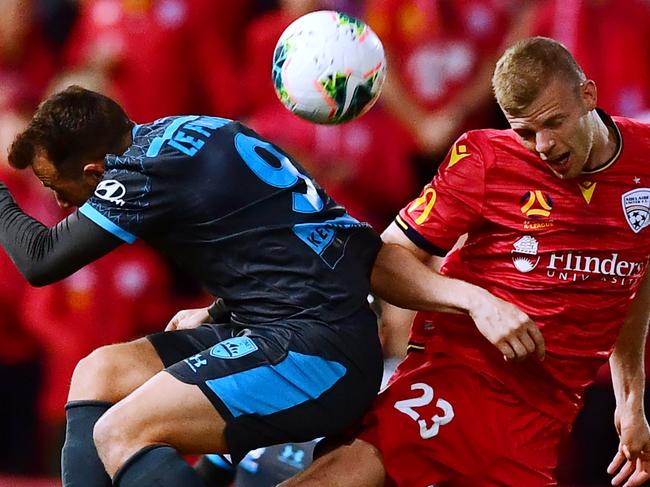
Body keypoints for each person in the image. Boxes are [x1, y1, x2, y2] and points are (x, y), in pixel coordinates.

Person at [280, 36, 650, 487]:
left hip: (542, 418)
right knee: (347, 472)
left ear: (588, 94)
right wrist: (476, 302)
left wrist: (630, 400)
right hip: (462, 370)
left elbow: (634, 278)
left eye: (554, 122)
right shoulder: (486, 159)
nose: (545, 146)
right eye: (526, 131)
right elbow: (382, 260)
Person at [0, 85, 383, 486]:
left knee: (121, 430)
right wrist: (217, 310)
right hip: (276, 324)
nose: (61, 204)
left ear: (94, 172)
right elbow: (273, 240)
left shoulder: (143, 175)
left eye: (55, 186)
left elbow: (40, 258)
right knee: (99, 372)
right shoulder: (184, 133)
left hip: (315, 351)